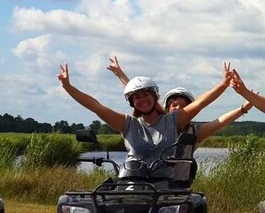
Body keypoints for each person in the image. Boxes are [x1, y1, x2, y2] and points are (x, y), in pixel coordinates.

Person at [58, 62, 233, 184]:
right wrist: (68, 87)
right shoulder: (128, 124)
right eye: (137, 97)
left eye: (145, 95)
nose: (142, 100)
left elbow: (200, 103)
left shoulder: (173, 120)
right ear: (132, 102)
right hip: (131, 181)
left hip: (166, 184)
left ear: (154, 97)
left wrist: (223, 85)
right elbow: (96, 106)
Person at [107, 56, 254, 185]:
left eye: (183, 106)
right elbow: (138, 95)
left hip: (177, 185)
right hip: (148, 181)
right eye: (174, 105)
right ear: (166, 108)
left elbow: (220, 121)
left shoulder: (193, 132)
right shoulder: (161, 123)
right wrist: (119, 74)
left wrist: (243, 109)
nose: (178, 108)